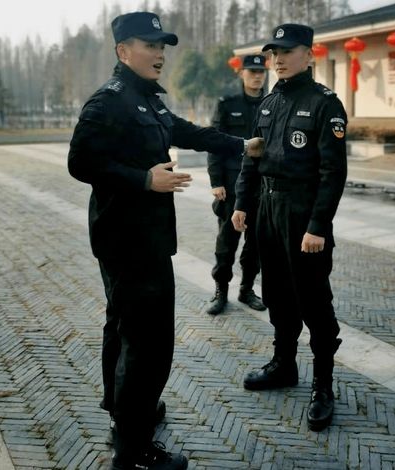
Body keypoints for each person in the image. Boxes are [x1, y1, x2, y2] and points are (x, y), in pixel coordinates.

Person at [68, 12, 263, 470]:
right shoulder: (109, 101)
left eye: (162, 47)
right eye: (150, 45)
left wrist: (240, 146)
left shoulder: (147, 100)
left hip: (144, 238)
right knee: (147, 342)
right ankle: (133, 451)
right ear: (123, 51)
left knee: (124, 329)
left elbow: (187, 131)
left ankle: (123, 411)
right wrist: (143, 180)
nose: (160, 54)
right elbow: (80, 162)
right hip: (127, 239)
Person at [232, 23, 347, 433]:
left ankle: (323, 384)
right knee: (277, 292)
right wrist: (242, 202)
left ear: (309, 55)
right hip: (268, 208)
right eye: (273, 53)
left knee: (313, 298)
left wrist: (318, 225)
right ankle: (284, 364)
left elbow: (333, 173)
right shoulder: (267, 104)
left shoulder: (324, 104)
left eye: (286, 51)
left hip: (303, 214)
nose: (277, 59)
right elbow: (252, 157)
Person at [206, 54, 268, 315]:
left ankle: (246, 289)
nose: (257, 76)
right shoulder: (227, 104)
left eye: (261, 72)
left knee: (256, 244)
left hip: (261, 187)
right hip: (231, 187)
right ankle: (220, 291)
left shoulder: (271, 104)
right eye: (252, 71)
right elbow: (215, 143)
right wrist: (216, 181)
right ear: (241, 73)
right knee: (226, 244)